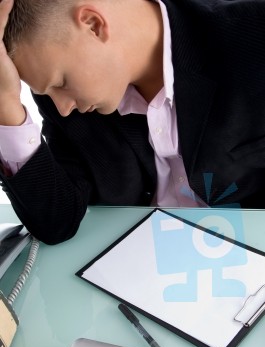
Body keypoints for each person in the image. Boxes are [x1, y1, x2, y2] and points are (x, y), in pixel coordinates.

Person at [0, 0, 265, 245]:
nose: (63, 108)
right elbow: (57, 223)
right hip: (127, 273)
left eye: (61, 83)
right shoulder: (68, 105)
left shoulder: (253, 37)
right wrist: (6, 106)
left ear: (94, 24)